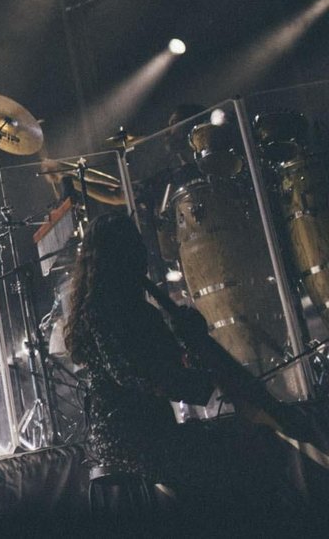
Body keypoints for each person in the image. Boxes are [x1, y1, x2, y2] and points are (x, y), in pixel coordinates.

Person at [62, 213, 310, 511]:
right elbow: (131, 373)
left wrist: (192, 338)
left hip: (147, 434)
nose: (143, 252)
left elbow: (173, 368)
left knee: (243, 450)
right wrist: (206, 383)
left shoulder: (133, 311)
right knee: (243, 459)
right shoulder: (108, 311)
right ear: (121, 254)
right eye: (135, 244)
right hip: (132, 441)